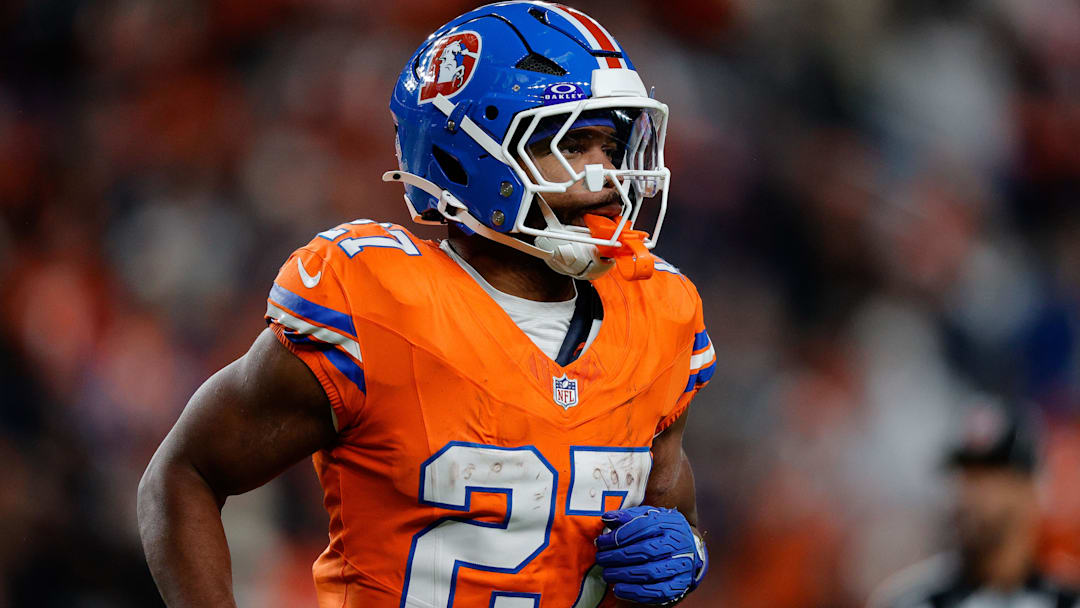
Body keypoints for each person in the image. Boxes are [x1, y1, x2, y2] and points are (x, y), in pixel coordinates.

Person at [137, 3, 715, 607]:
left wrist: (687, 551)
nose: (604, 177)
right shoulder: (381, 302)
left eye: (610, 144)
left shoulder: (657, 312)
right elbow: (183, 476)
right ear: (471, 155)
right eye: (570, 144)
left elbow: (672, 518)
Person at [869, 399, 1080, 608]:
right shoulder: (912, 601)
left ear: (1030, 491)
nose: (970, 494)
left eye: (988, 475)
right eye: (965, 476)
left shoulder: (1067, 600)